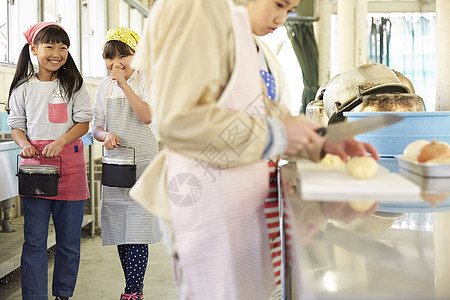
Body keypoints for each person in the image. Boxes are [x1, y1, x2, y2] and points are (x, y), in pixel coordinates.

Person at [130, 0, 379, 299]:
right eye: (278, 4)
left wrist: (321, 143)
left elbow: (262, 112)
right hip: (206, 199)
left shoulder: (244, 35)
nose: (282, 18)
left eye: (289, 11)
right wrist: (278, 133)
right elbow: (179, 120)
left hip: (241, 202)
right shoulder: (196, 8)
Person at [7, 22, 93, 300]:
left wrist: (60, 142)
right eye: (50, 46)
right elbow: (17, 126)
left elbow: (83, 123)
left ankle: (63, 294)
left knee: (69, 241)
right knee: (34, 241)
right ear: (34, 49)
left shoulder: (75, 85)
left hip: (70, 166)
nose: (57, 53)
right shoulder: (22, 88)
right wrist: (24, 145)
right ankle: (34, 296)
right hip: (37, 171)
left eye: (63, 47)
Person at [92, 27, 161, 300]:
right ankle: (132, 288)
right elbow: (96, 127)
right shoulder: (102, 86)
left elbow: (146, 116)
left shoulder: (148, 80)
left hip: (143, 162)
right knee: (120, 229)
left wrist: (123, 83)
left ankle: (133, 291)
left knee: (138, 228)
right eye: (110, 58)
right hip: (117, 164)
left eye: (124, 56)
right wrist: (105, 135)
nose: (116, 63)